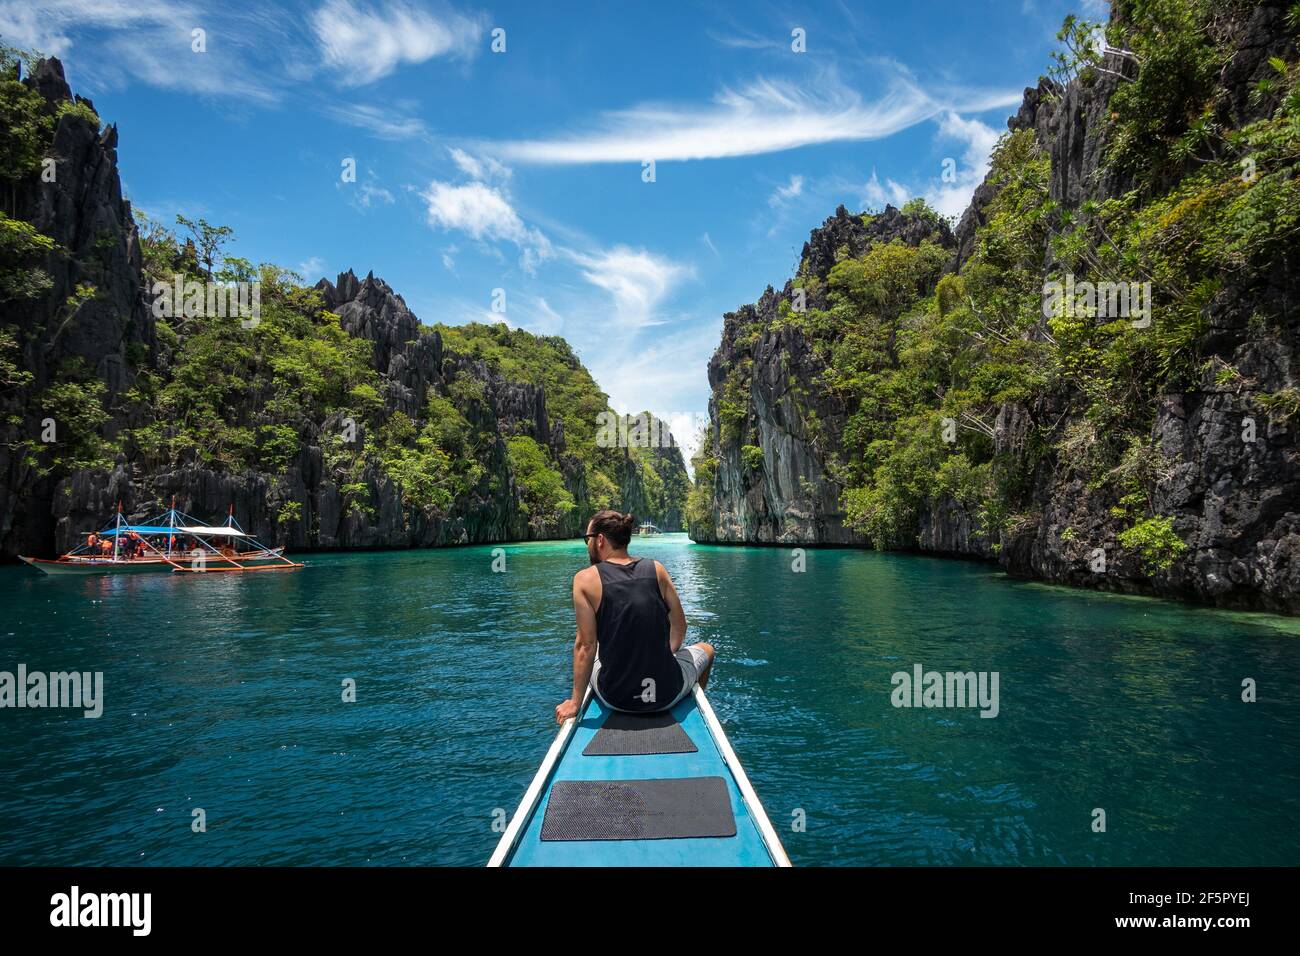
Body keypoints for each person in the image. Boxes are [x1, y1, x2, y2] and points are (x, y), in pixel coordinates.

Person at [555, 509, 714, 724]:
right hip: (666, 694)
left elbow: (585, 645)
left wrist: (574, 703)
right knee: (707, 650)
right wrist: (663, 654)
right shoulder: (657, 569)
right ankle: (691, 707)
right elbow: (679, 626)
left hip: (616, 698)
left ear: (600, 540)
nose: (588, 545)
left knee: (594, 652)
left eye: (587, 539)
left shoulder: (585, 580)